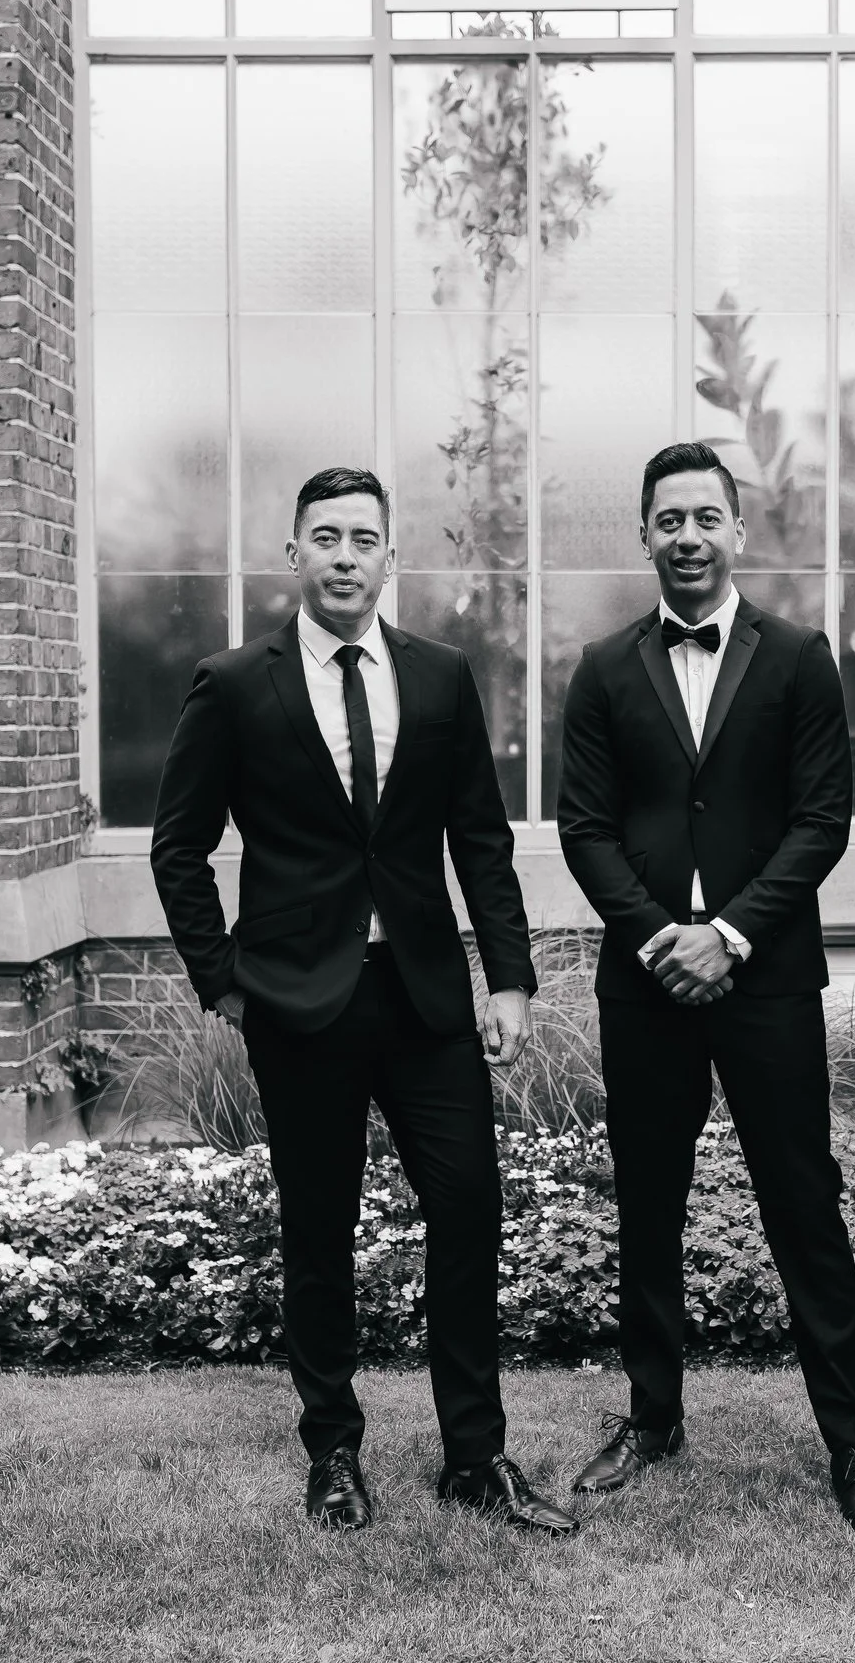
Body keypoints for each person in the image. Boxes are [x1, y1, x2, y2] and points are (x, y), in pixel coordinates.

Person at [149, 466, 576, 1537]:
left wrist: (510, 978)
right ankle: (333, 1449)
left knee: (469, 1210)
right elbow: (179, 847)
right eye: (325, 537)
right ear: (293, 555)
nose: (346, 556)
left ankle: (475, 1454)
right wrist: (224, 981)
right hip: (301, 1003)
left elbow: (479, 839)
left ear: (393, 557)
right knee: (320, 1231)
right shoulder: (236, 682)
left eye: (364, 539)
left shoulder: (437, 676)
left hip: (424, 995)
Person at [554, 441, 855, 1534]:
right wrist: (665, 934)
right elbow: (585, 827)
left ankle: (853, 1442)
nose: (689, 536)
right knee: (648, 1208)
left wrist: (732, 936)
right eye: (670, 519)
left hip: (765, 980)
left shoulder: (799, 656)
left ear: (737, 532)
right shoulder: (605, 666)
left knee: (804, 1204)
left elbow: (818, 820)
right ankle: (652, 1416)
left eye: (707, 516)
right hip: (646, 978)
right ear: (647, 534)